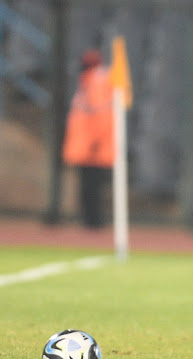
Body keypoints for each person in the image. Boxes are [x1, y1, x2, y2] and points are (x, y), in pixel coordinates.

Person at [62, 49, 115, 229]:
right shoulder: (90, 80)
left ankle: (93, 221)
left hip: (92, 147)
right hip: (87, 146)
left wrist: (95, 141)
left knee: (92, 187)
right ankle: (90, 220)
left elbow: (100, 114)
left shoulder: (97, 81)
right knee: (88, 187)